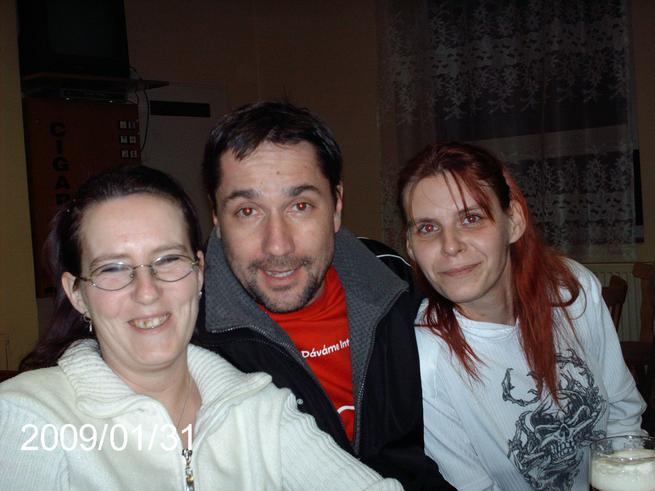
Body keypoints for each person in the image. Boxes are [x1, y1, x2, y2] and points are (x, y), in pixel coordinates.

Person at [0, 164, 402, 491]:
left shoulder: (258, 407)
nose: (147, 292)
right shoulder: (29, 416)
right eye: (113, 268)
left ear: (199, 272)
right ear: (77, 293)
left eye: (168, 260)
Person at [198, 101, 452, 490]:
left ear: (336, 206)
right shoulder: (190, 334)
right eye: (248, 211)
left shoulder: (400, 284)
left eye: (300, 206)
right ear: (217, 218)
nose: (277, 245)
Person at [397, 142, 647, 490]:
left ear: (513, 222)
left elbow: (621, 414)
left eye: (471, 218)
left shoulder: (570, 290)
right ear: (410, 247)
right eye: (427, 227)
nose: (450, 245)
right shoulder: (424, 361)